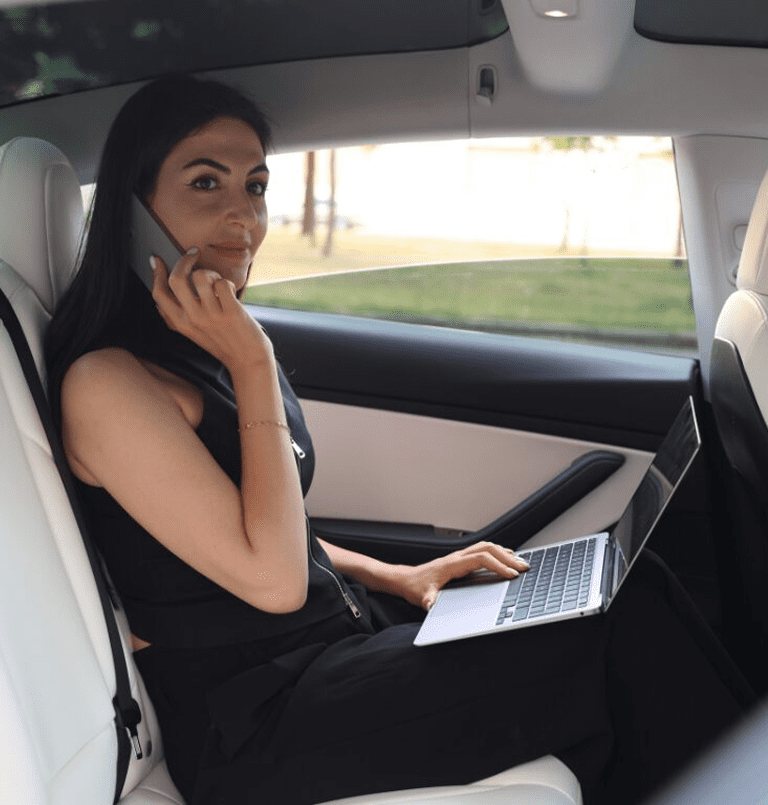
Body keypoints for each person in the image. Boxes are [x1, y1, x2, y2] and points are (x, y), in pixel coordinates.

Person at [45, 75, 753, 805]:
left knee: (636, 587)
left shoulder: (200, 348)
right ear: (132, 214)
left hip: (326, 650)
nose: (243, 217)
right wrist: (252, 359)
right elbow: (275, 577)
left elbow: (259, 524)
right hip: (257, 723)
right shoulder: (108, 385)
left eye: (255, 186)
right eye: (205, 182)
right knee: (623, 629)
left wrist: (399, 573)